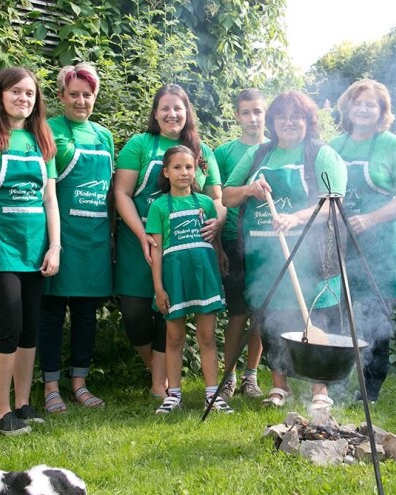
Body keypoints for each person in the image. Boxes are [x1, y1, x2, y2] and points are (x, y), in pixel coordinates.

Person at [222, 90, 347, 411]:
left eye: (296, 117)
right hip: (263, 254)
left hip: (312, 255)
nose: (288, 122)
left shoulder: (321, 155)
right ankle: (280, 386)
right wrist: (250, 188)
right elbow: (226, 196)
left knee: (315, 316)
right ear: (273, 122)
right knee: (269, 319)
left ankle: (320, 389)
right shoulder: (260, 155)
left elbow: (332, 204)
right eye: (281, 116)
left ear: (308, 121)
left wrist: (296, 218)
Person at [0, 66, 60, 435]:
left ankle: (23, 402)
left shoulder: (41, 140)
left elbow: (50, 199)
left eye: (30, 94)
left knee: (30, 329)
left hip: (35, 250)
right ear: (0, 95)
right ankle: (1, 411)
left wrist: (55, 246)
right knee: (9, 326)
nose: (23, 98)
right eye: (16, 91)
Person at [113, 84, 224, 399]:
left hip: (184, 248)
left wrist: (219, 222)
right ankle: (156, 368)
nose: (172, 114)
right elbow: (121, 192)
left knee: (169, 313)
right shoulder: (140, 144)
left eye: (178, 108)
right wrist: (141, 234)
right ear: (155, 113)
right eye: (165, 108)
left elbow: (216, 198)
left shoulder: (203, 151)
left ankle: (160, 386)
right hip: (140, 241)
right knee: (135, 314)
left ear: (187, 112)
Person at [330, 79, 396, 403]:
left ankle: (370, 390)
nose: (364, 109)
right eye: (358, 103)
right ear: (348, 108)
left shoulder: (393, 146)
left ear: (382, 112)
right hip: (341, 244)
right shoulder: (334, 147)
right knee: (340, 315)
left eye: (371, 105)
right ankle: (336, 382)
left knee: (376, 321)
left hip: (380, 247)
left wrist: (369, 218)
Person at [38, 63, 114, 414]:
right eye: (74, 94)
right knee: (52, 312)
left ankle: (80, 384)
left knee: (86, 314)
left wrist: (112, 235)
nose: (81, 101)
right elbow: (46, 186)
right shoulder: (49, 129)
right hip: (60, 234)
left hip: (95, 238)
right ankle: (50, 386)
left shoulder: (104, 135)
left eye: (88, 94)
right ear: (61, 97)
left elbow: (110, 191)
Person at [147, 146, 231, 414]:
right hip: (174, 278)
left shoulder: (205, 203)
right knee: (174, 337)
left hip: (204, 276)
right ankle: (173, 394)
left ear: (196, 170)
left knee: (207, 336)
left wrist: (220, 261)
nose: (184, 172)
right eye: (177, 167)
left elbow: (214, 244)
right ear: (166, 172)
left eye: (189, 167)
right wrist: (159, 288)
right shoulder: (159, 206)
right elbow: (156, 251)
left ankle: (212, 394)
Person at [213, 89, 268, 401]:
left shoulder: (275, 150)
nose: (252, 118)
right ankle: (229, 375)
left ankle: (252, 375)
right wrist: (219, 246)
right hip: (234, 239)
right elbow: (218, 202)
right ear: (237, 115)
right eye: (246, 112)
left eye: (258, 112)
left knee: (261, 311)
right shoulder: (224, 153)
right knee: (237, 312)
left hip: (266, 241)